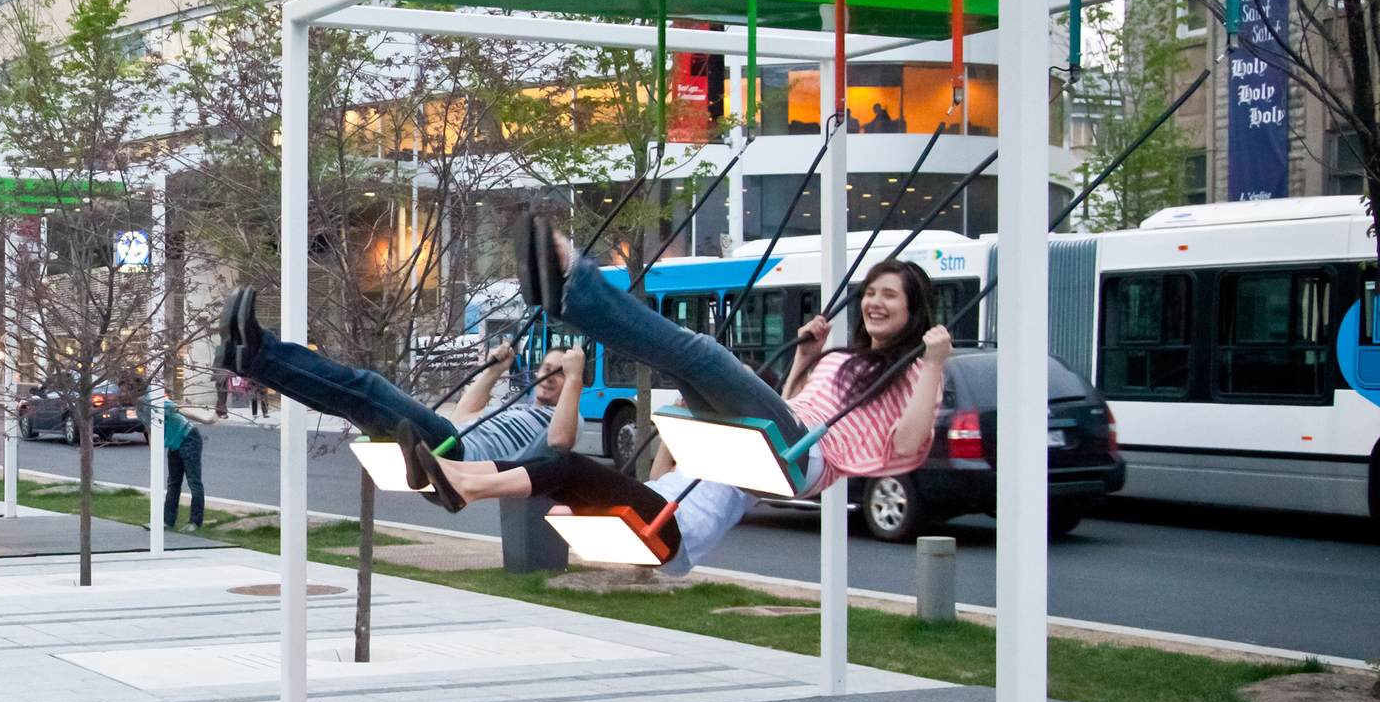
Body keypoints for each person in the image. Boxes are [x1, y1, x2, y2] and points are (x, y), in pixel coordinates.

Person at [403, 232, 952, 577]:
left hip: (800, 462)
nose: (875, 303)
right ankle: (569, 301)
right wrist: (806, 362)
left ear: (914, 309)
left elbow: (905, 447)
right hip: (778, 446)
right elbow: (792, 410)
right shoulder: (842, 358)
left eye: (890, 296)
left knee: (708, 355)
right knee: (680, 363)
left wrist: (934, 363)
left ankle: (579, 282)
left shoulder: (911, 373)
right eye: (872, 292)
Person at [215, 286, 583, 464]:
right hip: (450, 439)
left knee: (368, 386)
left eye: (560, 374)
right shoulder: (515, 407)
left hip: (458, 460)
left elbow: (560, 442)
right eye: (547, 368)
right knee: (348, 400)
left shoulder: (564, 420)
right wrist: (494, 371)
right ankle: (246, 359)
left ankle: (261, 350)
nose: (550, 376)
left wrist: (576, 374)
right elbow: (461, 417)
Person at [162, 399, 214, 530]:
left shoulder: (155, 400)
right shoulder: (141, 410)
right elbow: (149, 429)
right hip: (174, 444)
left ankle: (195, 522)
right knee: (173, 482)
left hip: (189, 437)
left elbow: (181, 410)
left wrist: (205, 420)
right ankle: (168, 522)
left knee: (194, 481)